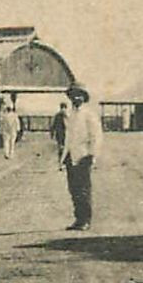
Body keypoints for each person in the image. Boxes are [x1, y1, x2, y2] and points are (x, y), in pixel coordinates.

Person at [59, 83, 102, 231]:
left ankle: (86, 220)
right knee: (74, 189)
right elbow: (68, 137)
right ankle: (78, 219)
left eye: (79, 94)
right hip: (71, 156)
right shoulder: (71, 115)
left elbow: (96, 136)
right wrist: (63, 157)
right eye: (73, 95)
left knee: (83, 189)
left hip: (84, 156)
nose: (76, 97)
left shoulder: (89, 114)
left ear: (84, 97)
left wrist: (92, 155)